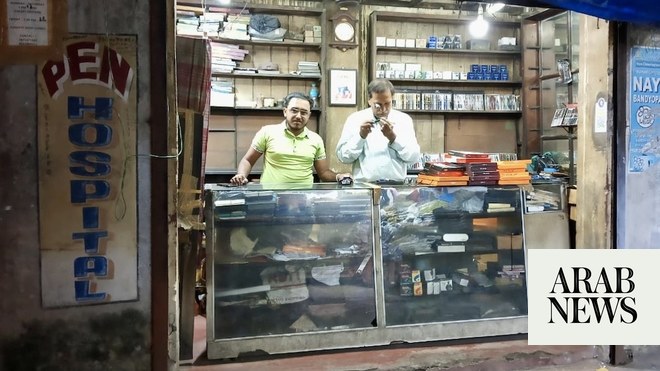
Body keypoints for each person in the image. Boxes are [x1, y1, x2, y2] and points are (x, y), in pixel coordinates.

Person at [230, 92, 351, 185]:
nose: (298, 116)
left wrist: (338, 176)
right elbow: (248, 160)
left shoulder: (316, 139)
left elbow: (324, 173)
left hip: (303, 200)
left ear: (309, 115)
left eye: (304, 112)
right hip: (271, 197)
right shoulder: (267, 132)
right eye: (294, 111)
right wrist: (241, 175)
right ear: (285, 111)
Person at [335, 79, 421, 183]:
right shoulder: (354, 119)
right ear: (369, 100)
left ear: (392, 98)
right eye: (378, 104)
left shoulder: (404, 120)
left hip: (396, 187)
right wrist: (360, 137)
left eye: (387, 104)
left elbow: (413, 157)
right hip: (365, 187)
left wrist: (393, 138)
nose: (383, 109)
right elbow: (343, 157)